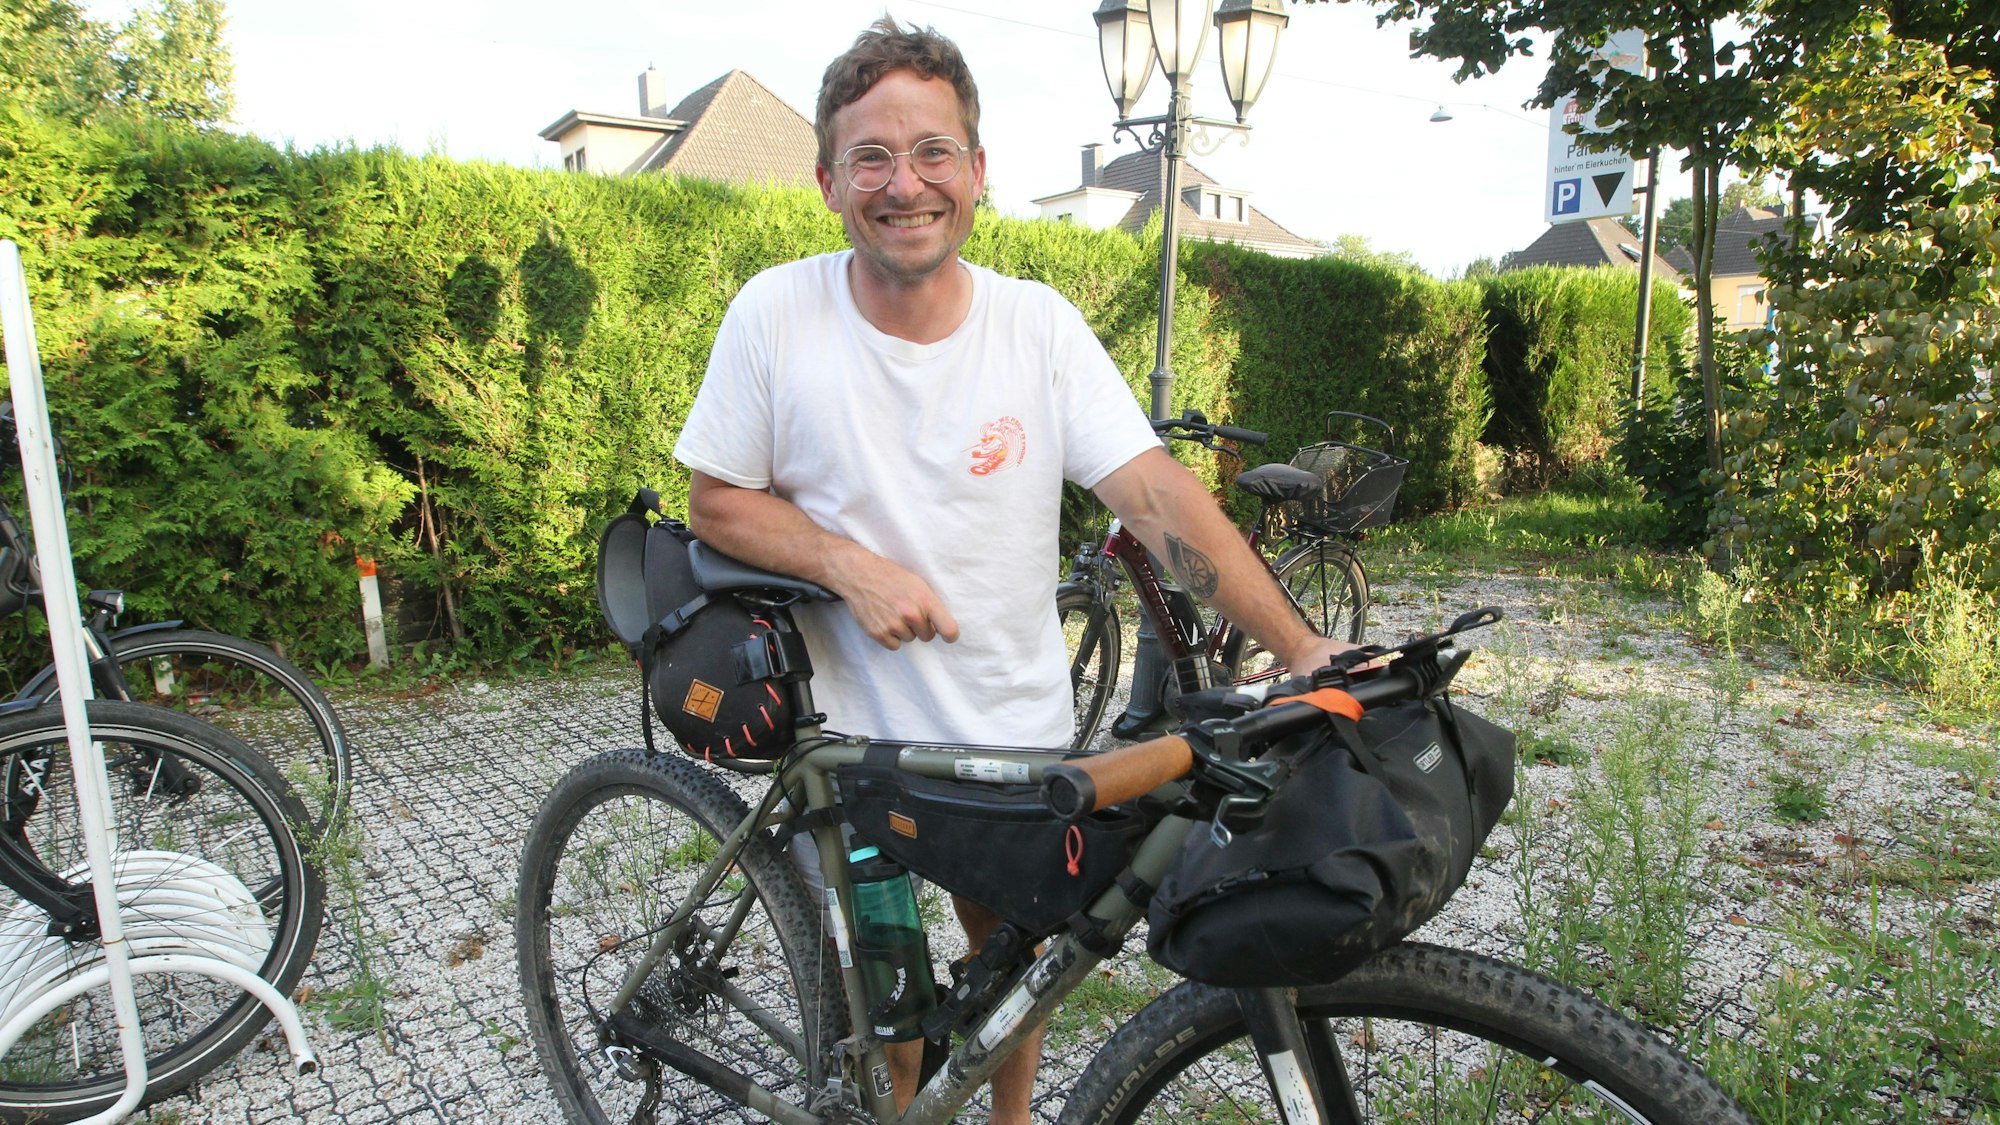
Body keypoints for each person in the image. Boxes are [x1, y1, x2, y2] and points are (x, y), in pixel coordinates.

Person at [673, 17, 1347, 1123]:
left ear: (976, 172)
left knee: (1016, 991)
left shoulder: (1036, 329)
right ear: (827, 181)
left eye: (933, 152)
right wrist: (850, 566)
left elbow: (1156, 494)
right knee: (896, 1047)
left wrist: (1302, 646)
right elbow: (716, 497)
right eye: (872, 158)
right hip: (857, 747)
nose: (905, 183)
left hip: (1011, 734)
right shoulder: (775, 314)